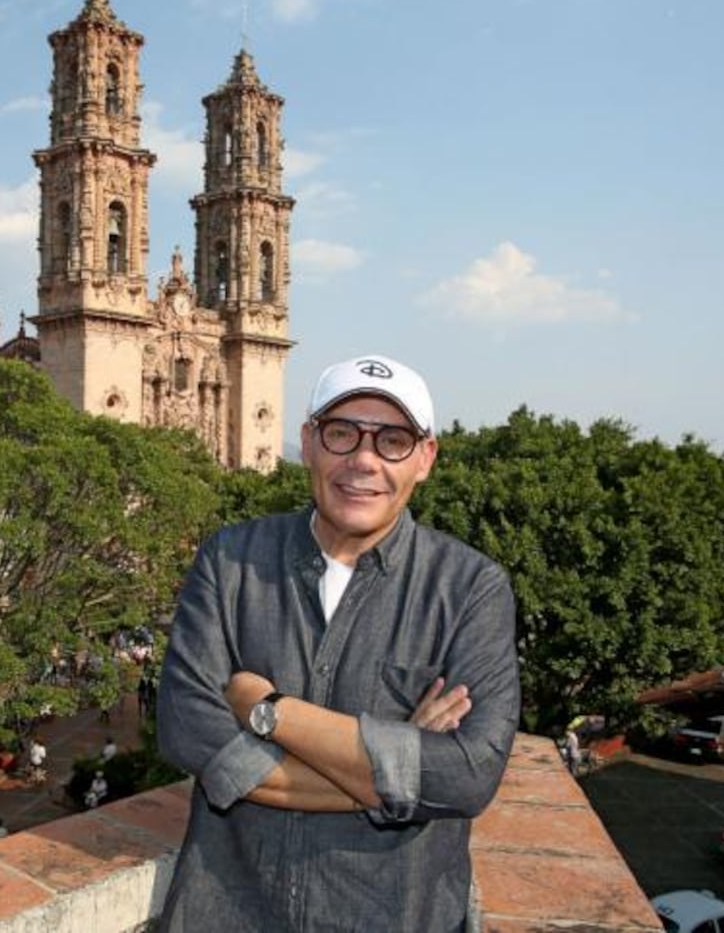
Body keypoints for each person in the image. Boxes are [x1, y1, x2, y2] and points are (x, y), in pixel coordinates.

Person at [157, 354, 520, 932]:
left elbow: (467, 776)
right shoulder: (230, 561)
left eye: (393, 441)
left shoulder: (470, 588)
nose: (364, 461)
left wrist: (270, 711)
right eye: (342, 433)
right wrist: (388, 778)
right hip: (228, 913)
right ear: (308, 442)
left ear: (425, 458)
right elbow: (188, 730)